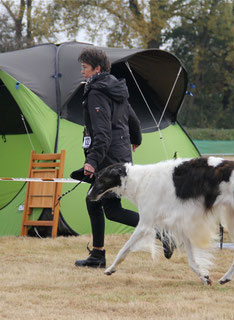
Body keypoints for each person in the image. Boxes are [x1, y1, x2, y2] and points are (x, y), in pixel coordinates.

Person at [73, 48, 173, 268]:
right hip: (120, 156)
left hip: (108, 159)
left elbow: (102, 133)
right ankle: (100, 254)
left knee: (96, 202)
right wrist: (136, 138)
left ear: (97, 69)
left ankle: (158, 234)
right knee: (108, 208)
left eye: (85, 68)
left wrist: (91, 161)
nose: (82, 72)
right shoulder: (114, 87)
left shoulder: (97, 91)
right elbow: (132, 117)